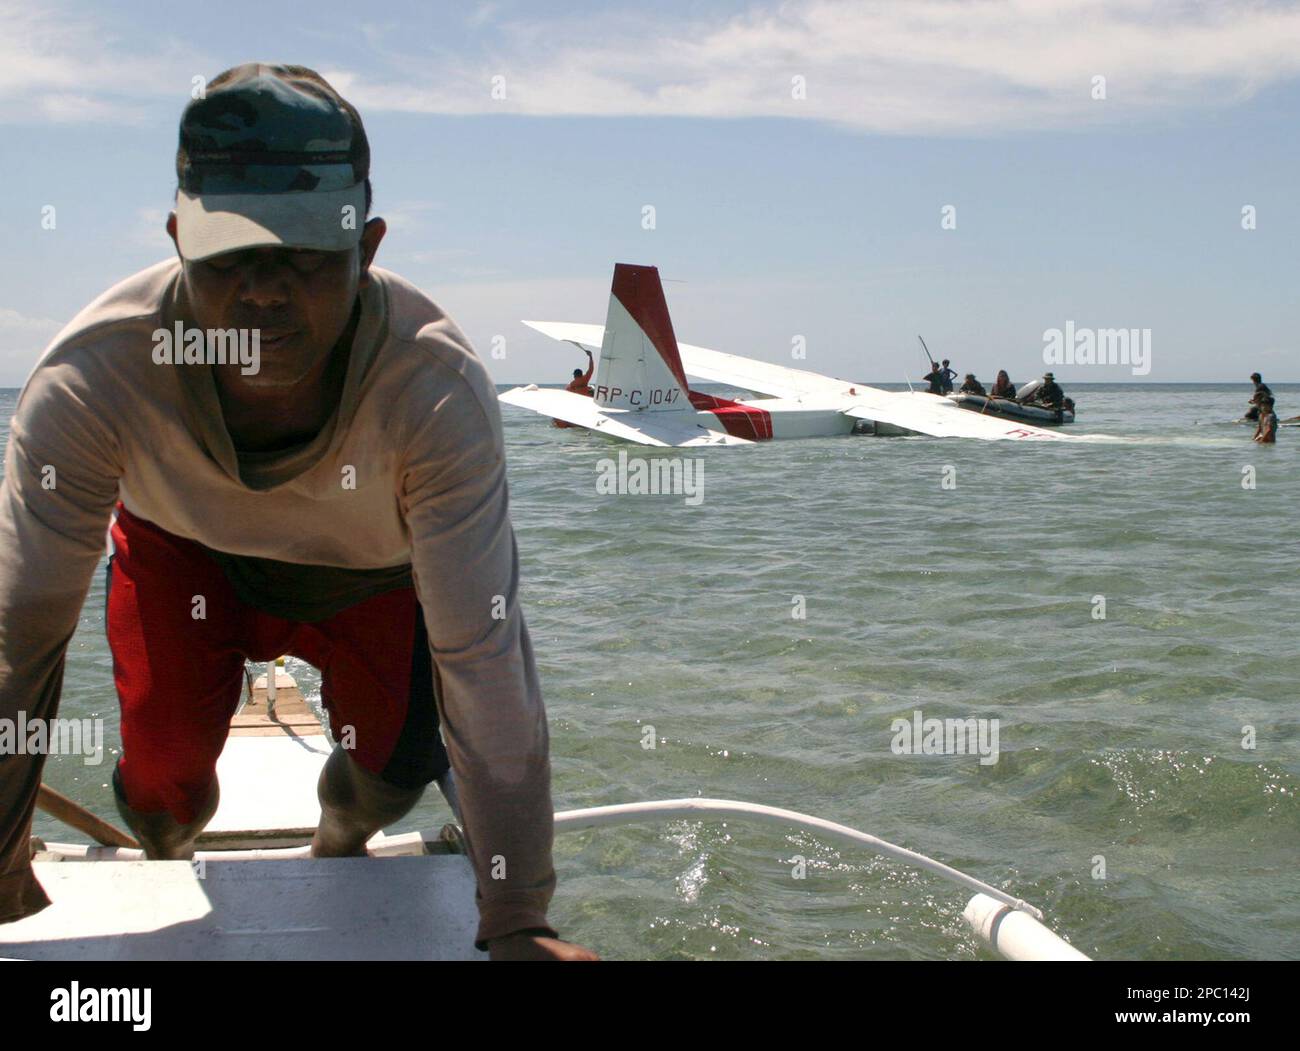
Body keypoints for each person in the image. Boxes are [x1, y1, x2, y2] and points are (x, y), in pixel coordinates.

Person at [0, 64, 596, 962]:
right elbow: (19, 640)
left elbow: (482, 659)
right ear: (177, 240)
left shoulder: (432, 391)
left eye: (312, 255)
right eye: (231, 254)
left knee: (385, 786)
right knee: (164, 788)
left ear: (372, 246)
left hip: (368, 574)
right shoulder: (96, 376)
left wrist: (517, 916)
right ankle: (169, 859)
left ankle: (338, 842)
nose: (268, 292)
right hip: (182, 555)